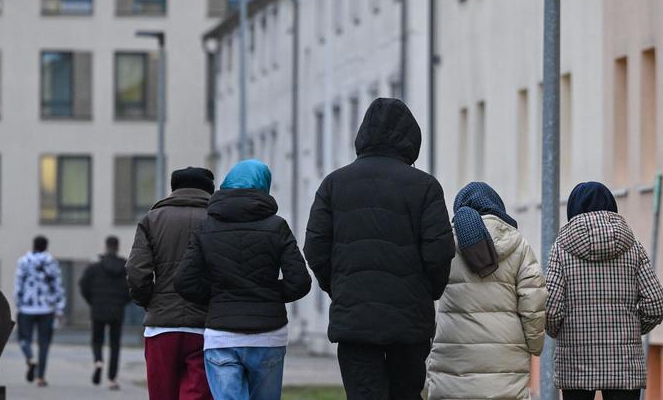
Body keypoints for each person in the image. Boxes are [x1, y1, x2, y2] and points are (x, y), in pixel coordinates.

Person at [304, 98, 455, 399]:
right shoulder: (425, 187)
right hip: (409, 319)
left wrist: (340, 286)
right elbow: (439, 252)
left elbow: (315, 248)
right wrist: (427, 292)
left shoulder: (333, 185)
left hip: (355, 320)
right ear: (411, 138)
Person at [176, 160, 311, 400]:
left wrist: (218, 296)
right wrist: (269, 293)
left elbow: (184, 281)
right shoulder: (277, 226)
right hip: (268, 335)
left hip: (222, 336)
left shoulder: (207, 227)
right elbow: (299, 282)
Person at [545, 182, 663, 400]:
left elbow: (551, 309)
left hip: (575, 363)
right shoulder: (633, 246)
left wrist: (560, 332)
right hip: (625, 365)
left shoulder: (561, 248)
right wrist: (631, 328)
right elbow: (656, 302)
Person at [427, 182, 547, 400]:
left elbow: (428, 293)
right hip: (506, 359)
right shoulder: (518, 245)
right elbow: (534, 300)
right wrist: (534, 346)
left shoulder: (445, 244)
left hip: (453, 358)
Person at [127, 166, 216, 400]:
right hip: (205, 326)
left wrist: (150, 302)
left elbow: (137, 271)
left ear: (173, 188)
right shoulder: (218, 219)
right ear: (210, 189)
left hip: (162, 326)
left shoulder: (152, 219)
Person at [79, 235, 131, 390]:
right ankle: (112, 379)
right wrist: (123, 302)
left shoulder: (94, 268)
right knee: (115, 344)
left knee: (97, 340)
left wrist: (92, 301)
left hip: (98, 309)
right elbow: (132, 288)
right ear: (118, 247)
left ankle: (98, 361)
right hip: (117, 310)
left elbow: (83, 285)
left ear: (106, 247)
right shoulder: (125, 268)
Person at [14, 235, 66, 387]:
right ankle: (41, 377)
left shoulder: (23, 261)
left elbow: (18, 284)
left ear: (33, 245)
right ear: (46, 246)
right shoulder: (51, 262)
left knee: (24, 338)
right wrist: (60, 308)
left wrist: (18, 303)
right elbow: (58, 285)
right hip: (47, 308)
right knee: (44, 343)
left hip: (27, 307)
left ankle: (30, 358)